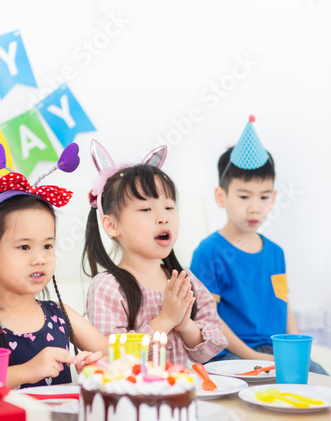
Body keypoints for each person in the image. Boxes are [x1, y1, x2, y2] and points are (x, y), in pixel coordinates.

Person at [0, 144, 105, 388]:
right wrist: (26, 371)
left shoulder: (61, 315)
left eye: (47, 246)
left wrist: (96, 366)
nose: (40, 259)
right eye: (24, 247)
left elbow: (114, 356)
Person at [191, 116, 326, 372]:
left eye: (264, 197)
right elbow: (209, 319)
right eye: (243, 196)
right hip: (231, 354)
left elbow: (283, 306)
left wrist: (294, 348)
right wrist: (253, 357)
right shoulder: (210, 252)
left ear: (273, 198)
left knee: (319, 376)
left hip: (274, 352)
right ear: (222, 197)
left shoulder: (276, 253)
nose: (255, 207)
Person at [83, 141, 227, 368]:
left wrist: (185, 325)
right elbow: (114, 359)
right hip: (132, 399)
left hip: (180, 397)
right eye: (145, 209)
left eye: (169, 207)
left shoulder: (185, 279)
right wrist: (166, 319)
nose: (163, 218)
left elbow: (213, 346)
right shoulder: (108, 288)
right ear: (111, 226)